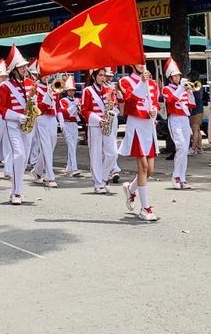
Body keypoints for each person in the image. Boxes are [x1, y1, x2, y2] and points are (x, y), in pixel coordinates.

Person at [119, 63, 161, 220]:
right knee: (143, 166)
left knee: (150, 170)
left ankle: (131, 188)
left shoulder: (153, 83)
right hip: (136, 124)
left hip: (149, 126)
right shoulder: (125, 81)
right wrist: (142, 82)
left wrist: (154, 111)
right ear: (132, 64)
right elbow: (130, 101)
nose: (142, 65)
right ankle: (145, 208)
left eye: (143, 61)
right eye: (138, 62)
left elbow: (155, 103)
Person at [0, 46, 32, 205]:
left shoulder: (30, 83)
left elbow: (32, 102)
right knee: (19, 155)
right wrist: (18, 116)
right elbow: (0, 108)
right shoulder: (5, 86)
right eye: (22, 66)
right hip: (12, 124)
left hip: (28, 124)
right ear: (14, 70)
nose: (25, 68)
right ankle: (17, 193)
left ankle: (16, 190)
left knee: (23, 159)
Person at [81, 67, 117, 195]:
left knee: (113, 153)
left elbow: (114, 107)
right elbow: (84, 110)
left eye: (104, 75)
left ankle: (104, 176)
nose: (103, 78)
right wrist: (98, 119)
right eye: (100, 75)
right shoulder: (88, 91)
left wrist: (112, 105)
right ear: (94, 76)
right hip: (95, 125)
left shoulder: (109, 90)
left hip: (107, 124)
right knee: (95, 155)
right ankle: (98, 183)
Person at [160, 59, 192, 190]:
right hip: (174, 119)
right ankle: (175, 176)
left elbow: (191, 105)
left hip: (185, 118)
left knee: (185, 149)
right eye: (175, 75)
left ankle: (182, 177)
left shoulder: (182, 88)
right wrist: (181, 89)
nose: (177, 77)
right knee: (181, 147)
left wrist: (189, 92)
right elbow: (172, 100)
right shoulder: (166, 89)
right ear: (169, 77)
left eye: (178, 75)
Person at [31, 66, 59, 187]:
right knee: (46, 145)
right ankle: (50, 177)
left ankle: (37, 170)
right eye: (44, 74)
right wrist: (48, 96)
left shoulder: (53, 86)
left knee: (52, 144)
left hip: (52, 117)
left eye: (48, 74)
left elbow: (56, 105)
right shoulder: (35, 87)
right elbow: (38, 107)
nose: (46, 77)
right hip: (41, 117)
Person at [57, 77, 81, 176]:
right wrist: (74, 106)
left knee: (74, 146)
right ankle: (74, 169)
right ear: (66, 91)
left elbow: (79, 114)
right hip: (66, 123)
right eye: (69, 90)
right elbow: (67, 113)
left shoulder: (77, 99)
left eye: (73, 90)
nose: (71, 92)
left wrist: (78, 107)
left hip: (74, 124)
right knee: (71, 145)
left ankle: (69, 167)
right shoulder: (63, 100)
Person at [189, 74, 205, 155]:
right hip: (200, 109)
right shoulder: (199, 86)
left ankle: (193, 148)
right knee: (198, 130)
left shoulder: (193, 88)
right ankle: (199, 147)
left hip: (195, 110)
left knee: (194, 130)